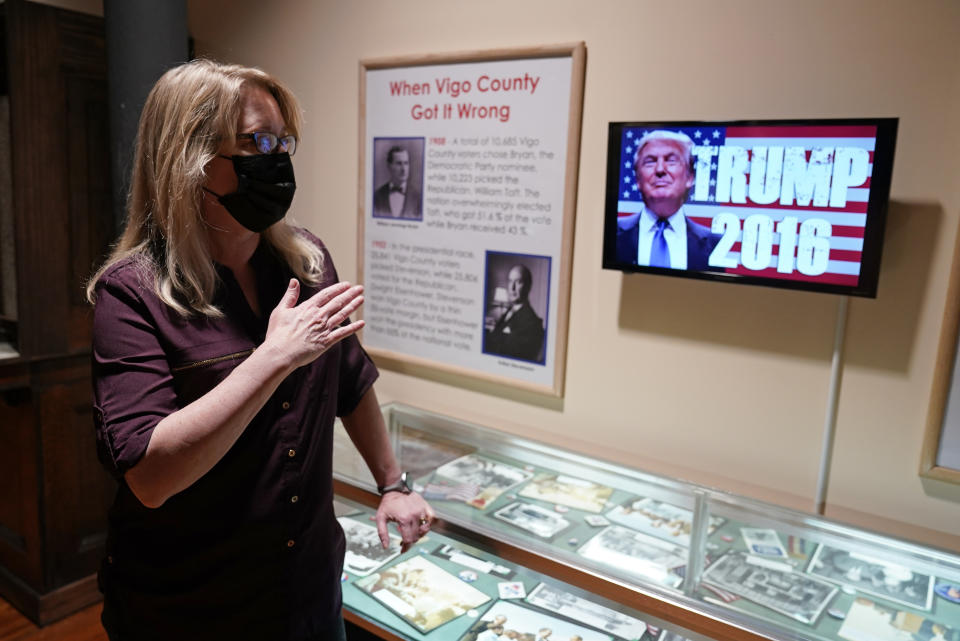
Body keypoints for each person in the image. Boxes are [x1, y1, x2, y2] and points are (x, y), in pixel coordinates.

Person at [86, 59, 433, 641]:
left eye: (282, 141)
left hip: (308, 588)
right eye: (256, 142)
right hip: (193, 607)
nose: (277, 159)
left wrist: (392, 484)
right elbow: (150, 476)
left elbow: (350, 380)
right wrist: (272, 358)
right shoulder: (131, 293)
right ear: (189, 160)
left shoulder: (306, 261)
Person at [616, 130, 720, 270]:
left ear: (690, 177)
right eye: (650, 162)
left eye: (671, 160)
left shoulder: (715, 244)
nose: (660, 169)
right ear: (637, 180)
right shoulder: (613, 234)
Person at [484, 264, 544, 362]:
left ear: (528, 286)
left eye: (518, 282)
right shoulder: (508, 311)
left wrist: (492, 333)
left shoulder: (532, 322)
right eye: (510, 281)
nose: (512, 288)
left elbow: (509, 355)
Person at [372, 144, 421, 219]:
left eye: (406, 163)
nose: (404, 169)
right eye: (399, 163)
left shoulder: (418, 198)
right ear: (389, 166)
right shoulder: (377, 196)